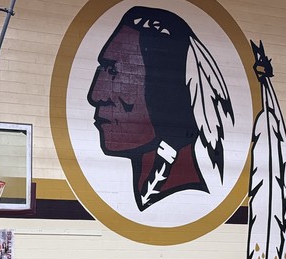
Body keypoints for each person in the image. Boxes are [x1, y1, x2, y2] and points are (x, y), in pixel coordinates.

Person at [87, 6, 232, 210]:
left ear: (169, 96)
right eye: (103, 70)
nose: (95, 96)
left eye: (113, 71)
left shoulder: (183, 204)